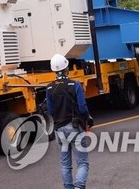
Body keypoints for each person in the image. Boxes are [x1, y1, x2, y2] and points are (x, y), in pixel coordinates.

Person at [46, 53, 93, 189]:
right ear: (67, 68)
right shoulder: (75, 85)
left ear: (54, 70)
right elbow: (83, 108)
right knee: (82, 163)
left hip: (59, 130)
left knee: (65, 164)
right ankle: (79, 186)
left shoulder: (49, 88)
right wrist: (87, 118)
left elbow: (50, 110)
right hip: (75, 128)